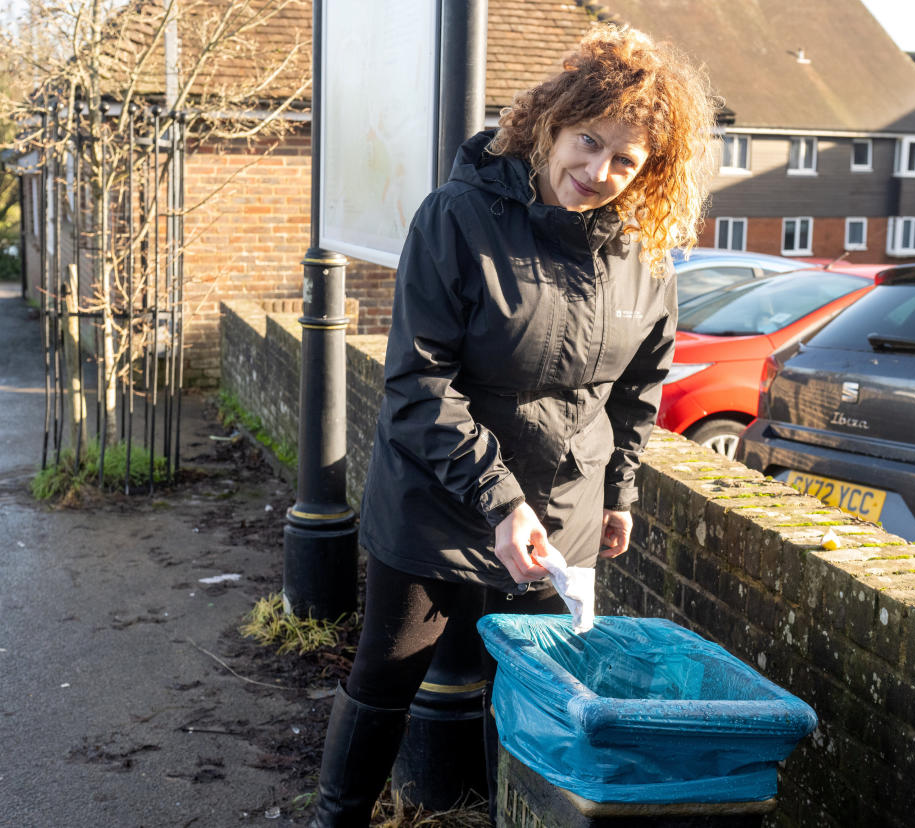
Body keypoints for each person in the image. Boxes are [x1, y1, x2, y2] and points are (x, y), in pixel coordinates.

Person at [309, 23, 717, 827]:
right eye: (588, 141)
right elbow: (418, 383)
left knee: (534, 704)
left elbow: (637, 390)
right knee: (385, 683)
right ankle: (334, 818)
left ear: (651, 172)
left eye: (625, 160)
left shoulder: (647, 256)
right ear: (550, 124)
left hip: (559, 519)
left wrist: (620, 493)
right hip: (435, 501)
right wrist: (499, 499)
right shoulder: (458, 218)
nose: (597, 172)